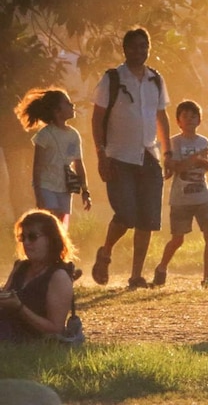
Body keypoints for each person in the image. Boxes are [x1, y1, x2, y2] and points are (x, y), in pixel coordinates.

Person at [91, 27, 171, 290]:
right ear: (125, 49)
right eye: (134, 46)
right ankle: (105, 252)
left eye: (144, 46)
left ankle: (136, 275)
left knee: (147, 218)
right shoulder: (113, 79)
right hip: (119, 156)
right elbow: (98, 118)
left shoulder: (155, 79)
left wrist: (167, 152)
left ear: (149, 48)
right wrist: (101, 154)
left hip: (149, 154)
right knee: (125, 214)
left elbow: (161, 117)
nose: (140, 51)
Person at [152, 100, 208, 289]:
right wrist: (194, 158)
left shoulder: (203, 141)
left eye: (194, 116)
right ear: (178, 121)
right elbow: (176, 168)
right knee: (178, 238)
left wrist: (206, 163)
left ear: (199, 120)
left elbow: (207, 166)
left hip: (202, 195)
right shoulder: (174, 142)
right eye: (185, 116)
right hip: (181, 198)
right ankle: (162, 267)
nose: (190, 119)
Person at [14, 88, 92, 228]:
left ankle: (57, 249)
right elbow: (37, 167)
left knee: (61, 225)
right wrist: (38, 194)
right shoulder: (44, 136)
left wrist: (85, 191)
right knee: (50, 223)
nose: (72, 105)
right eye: (67, 103)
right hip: (46, 187)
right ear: (57, 111)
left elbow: (78, 164)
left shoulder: (74, 135)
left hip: (65, 188)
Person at [0, 210, 76, 341]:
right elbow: (5, 296)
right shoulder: (21, 267)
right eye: (23, 238)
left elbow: (56, 329)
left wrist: (20, 308)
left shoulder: (58, 276)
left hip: (25, 339)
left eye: (33, 237)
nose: (26, 243)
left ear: (50, 239)